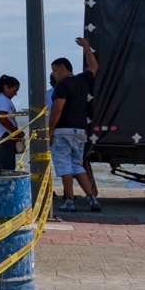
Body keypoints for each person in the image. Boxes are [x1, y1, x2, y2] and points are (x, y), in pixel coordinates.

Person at [49, 37, 101, 213]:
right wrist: (87, 46)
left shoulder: (62, 86)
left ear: (63, 69)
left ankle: (70, 201)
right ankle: (92, 197)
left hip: (63, 130)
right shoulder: (83, 80)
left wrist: (49, 132)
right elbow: (94, 67)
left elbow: (57, 110)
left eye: (54, 71)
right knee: (78, 165)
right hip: (80, 130)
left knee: (64, 166)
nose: (53, 75)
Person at [0, 75, 21, 172]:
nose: (16, 94)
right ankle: (7, 187)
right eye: (14, 91)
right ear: (6, 88)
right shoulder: (2, 99)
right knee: (8, 171)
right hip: (2, 138)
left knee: (2, 170)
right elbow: (3, 119)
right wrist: (17, 132)